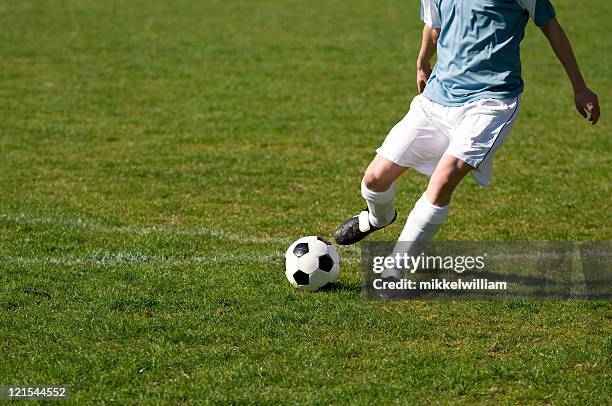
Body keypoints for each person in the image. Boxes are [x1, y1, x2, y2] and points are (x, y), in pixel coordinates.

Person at [333, 0, 600, 278]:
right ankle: (378, 218)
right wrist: (423, 59)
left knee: (443, 180)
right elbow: (433, 24)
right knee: (374, 179)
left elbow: (552, 28)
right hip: (437, 98)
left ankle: (393, 271)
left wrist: (579, 86)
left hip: (491, 102)